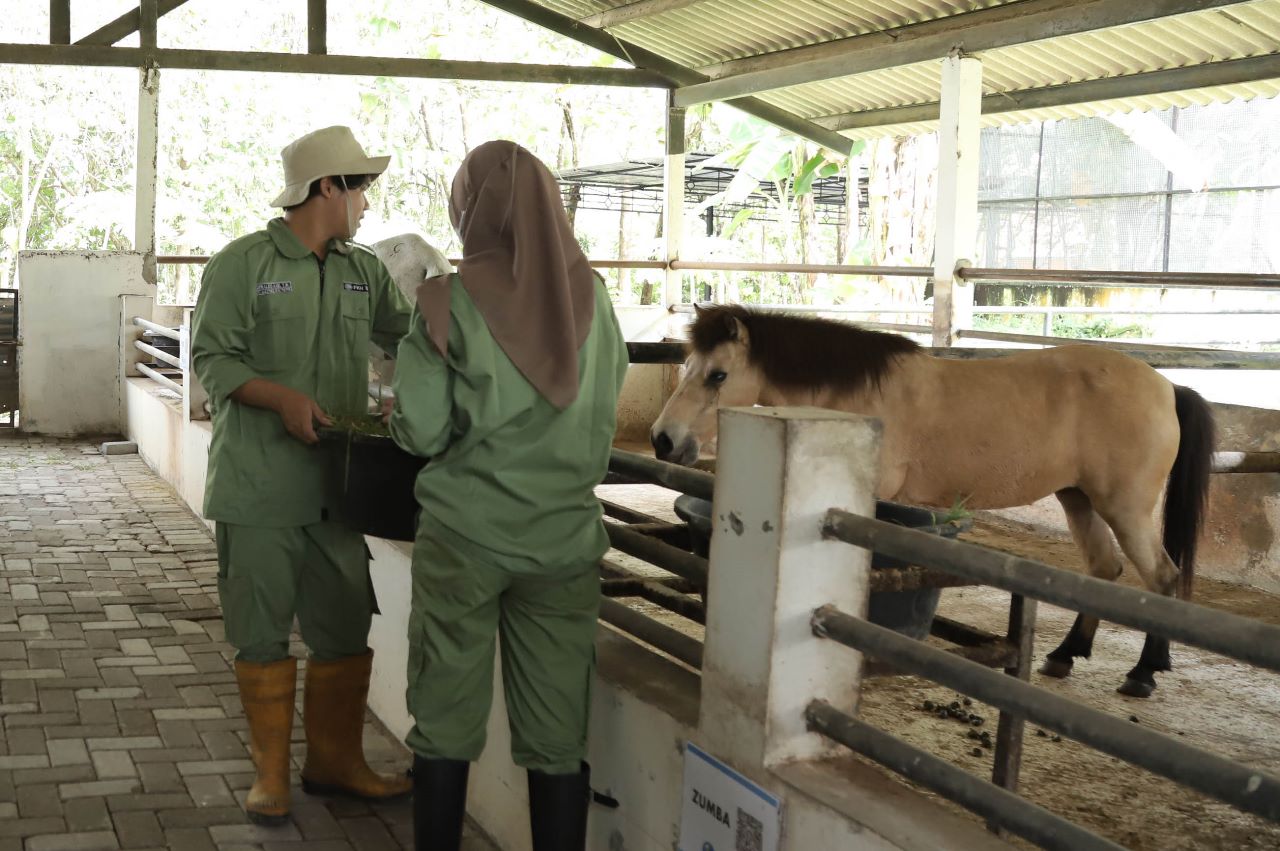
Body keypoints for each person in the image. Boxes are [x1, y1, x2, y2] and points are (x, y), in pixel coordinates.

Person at [389, 140, 629, 851]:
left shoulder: (445, 304)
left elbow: (422, 431)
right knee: (556, 734)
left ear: (472, 212)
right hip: (564, 546)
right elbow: (608, 411)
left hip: (465, 540)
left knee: (444, 717)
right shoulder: (601, 302)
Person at [191, 125, 413, 825]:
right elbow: (213, 360)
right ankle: (268, 776)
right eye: (362, 188)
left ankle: (335, 762)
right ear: (328, 189)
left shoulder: (363, 269)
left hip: (340, 491)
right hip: (259, 486)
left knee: (345, 628)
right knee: (260, 632)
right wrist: (280, 397)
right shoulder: (243, 264)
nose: (369, 204)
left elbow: (408, 334)